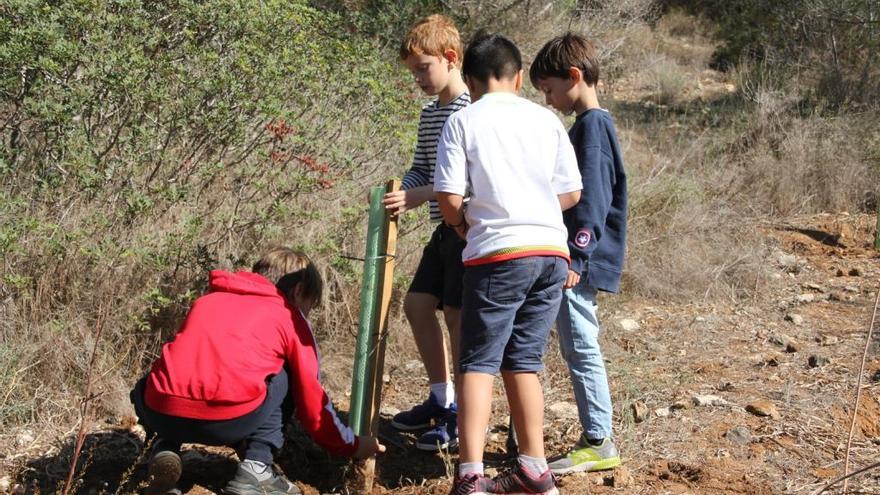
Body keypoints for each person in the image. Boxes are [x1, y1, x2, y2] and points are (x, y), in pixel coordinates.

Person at [434, 33, 582, 495]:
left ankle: (471, 476)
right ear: (519, 77)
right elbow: (572, 193)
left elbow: (448, 198)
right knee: (523, 361)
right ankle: (535, 470)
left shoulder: (463, 121)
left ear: (472, 83)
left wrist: (463, 226)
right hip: (551, 253)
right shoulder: (546, 120)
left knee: (477, 362)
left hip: (499, 253)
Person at [130, 248, 385, 495]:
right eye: (309, 306)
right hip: (228, 422)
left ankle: (163, 446)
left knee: (162, 376)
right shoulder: (289, 316)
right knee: (288, 372)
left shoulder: (207, 300)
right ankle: (257, 467)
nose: (307, 313)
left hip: (161, 414)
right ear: (297, 291)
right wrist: (352, 444)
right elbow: (312, 402)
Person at [529, 32, 627, 475]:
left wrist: (576, 257)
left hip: (576, 260)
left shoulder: (591, 129)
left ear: (574, 77)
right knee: (571, 343)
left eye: (550, 89)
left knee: (581, 345)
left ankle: (599, 440)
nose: (549, 100)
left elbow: (592, 201)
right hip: (574, 257)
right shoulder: (589, 127)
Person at [382, 14, 470, 452]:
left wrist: (420, 197)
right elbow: (422, 165)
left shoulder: (469, 109)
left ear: (450, 59)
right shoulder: (430, 112)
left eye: (423, 68)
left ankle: (463, 416)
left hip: (465, 228)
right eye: (413, 70)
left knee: (456, 317)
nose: (417, 78)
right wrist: (401, 190)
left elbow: (469, 179)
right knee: (417, 306)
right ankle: (442, 398)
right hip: (442, 231)